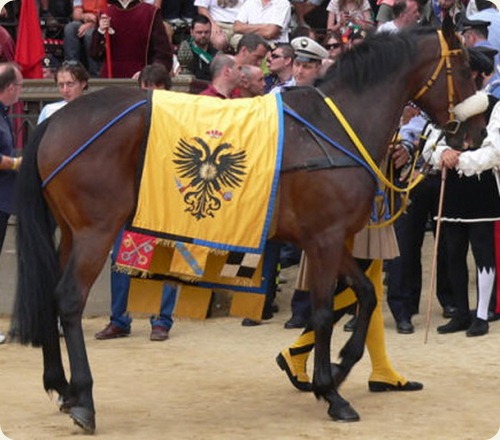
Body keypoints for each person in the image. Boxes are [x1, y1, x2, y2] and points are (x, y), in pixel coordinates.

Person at [95, 63, 177, 342]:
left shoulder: (179, 120)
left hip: (165, 200)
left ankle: (161, 320)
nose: (150, 98)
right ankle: (120, 319)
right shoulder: (128, 120)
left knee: (163, 261)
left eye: (156, 92)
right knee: (122, 259)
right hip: (133, 198)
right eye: (145, 92)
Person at [423, 47, 499, 337]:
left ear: (481, 76)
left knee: (482, 252)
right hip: (451, 185)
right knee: (452, 252)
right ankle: (460, 312)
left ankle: (481, 314)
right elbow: (430, 143)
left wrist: (459, 159)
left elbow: (495, 152)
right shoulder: (450, 107)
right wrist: (443, 153)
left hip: (482, 188)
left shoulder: (495, 106)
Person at [0, 62, 23, 344]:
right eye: (19, 85)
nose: (21, 90)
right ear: (9, 88)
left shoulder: (3, 113)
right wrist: (18, 163)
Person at [91, 0, 174, 78]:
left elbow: (163, 55)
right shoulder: (105, 14)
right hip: (110, 81)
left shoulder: (151, 13)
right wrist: (100, 33)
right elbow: (95, 54)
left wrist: (149, 74)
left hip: (142, 81)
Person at [64, 0, 102, 78]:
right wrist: (84, 16)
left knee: (90, 35)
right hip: (85, 21)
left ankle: (95, 75)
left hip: (103, 22)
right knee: (70, 28)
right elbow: (76, 14)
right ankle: (72, 69)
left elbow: (111, 12)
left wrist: (92, 24)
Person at [186, 14, 218, 81]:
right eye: (199, 32)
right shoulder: (184, 51)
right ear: (191, 32)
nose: (203, 35)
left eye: (206, 32)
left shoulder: (217, 54)